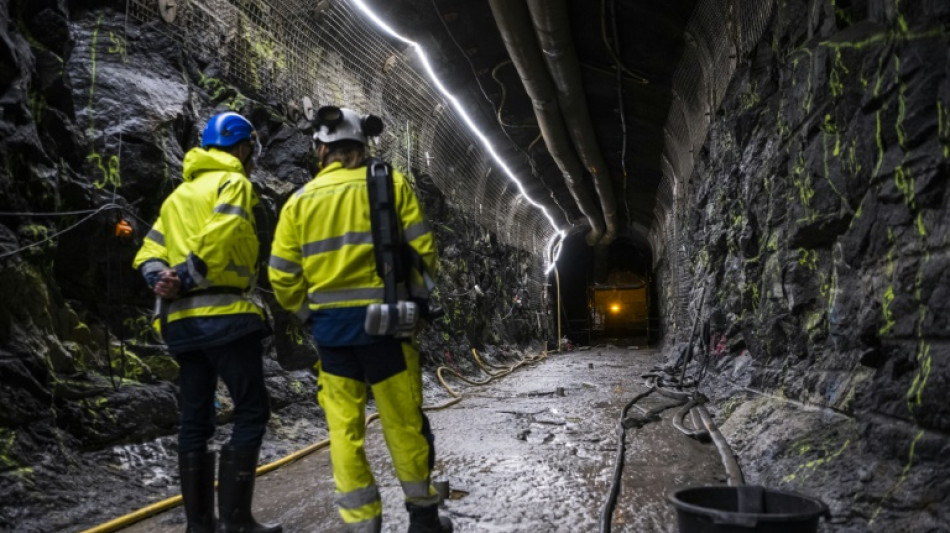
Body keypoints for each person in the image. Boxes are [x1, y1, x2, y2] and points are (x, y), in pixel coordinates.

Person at [268, 106, 452, 533]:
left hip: (332, 335)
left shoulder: (300, 201)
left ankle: (362, 523)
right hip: (388, 328)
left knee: (344, 430)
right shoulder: (391, 184)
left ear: (321, 150)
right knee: (403, 423)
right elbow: (423, 253)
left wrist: (308, 316)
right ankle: (423, 517)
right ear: (362, 146)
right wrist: (416, 305)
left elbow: (281, 274)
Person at [133, 112, 281, 533]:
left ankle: (199, 526)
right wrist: (185, 275)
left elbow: (148, 251)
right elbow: (223, 232)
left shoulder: (177, 197)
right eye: (251, 150)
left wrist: (159, 278)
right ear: (243, 147)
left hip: (182, 326)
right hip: (226, 319)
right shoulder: (234, 183)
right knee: (251, 411)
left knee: (195, 421)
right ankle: (237, 522)